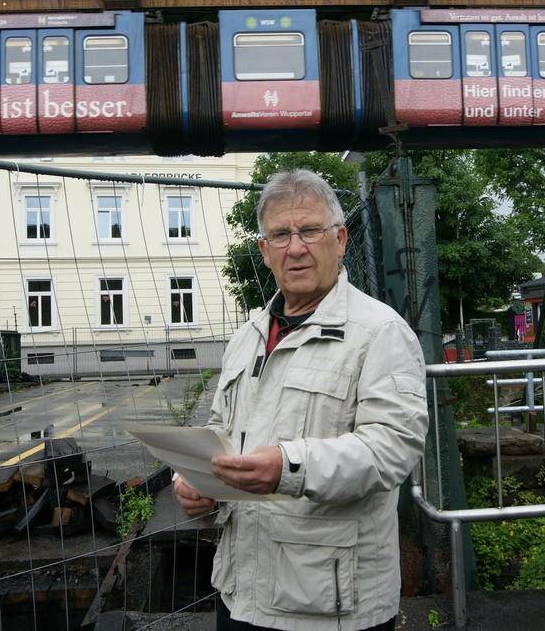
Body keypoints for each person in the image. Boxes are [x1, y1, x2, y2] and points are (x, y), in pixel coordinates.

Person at [174, 169, 429, 631]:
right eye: (280, 234)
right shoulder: (246, 337)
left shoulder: (380, 332)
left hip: (331, 607)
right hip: (240, 594)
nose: (296, 247)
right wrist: (198, 482)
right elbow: (220, 430)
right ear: (264, 251)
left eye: (310, 230)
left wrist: (288, 466)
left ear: (341, 238)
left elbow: (393, 449)